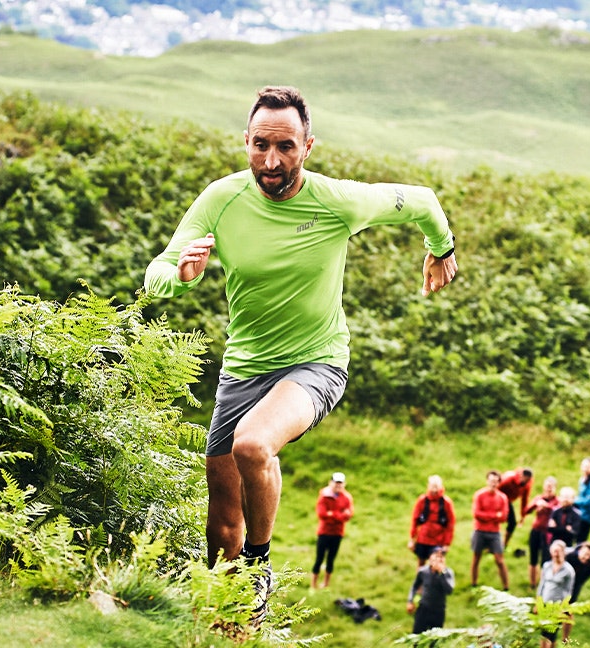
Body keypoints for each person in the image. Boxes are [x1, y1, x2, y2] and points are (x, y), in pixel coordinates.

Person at [144, 86, 458, 623]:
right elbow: (155, 276)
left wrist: (441, 249)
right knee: (221, 526)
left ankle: (260, 564)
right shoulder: (221, 198)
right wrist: (178, 274)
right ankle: (230, 624)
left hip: (316, 363)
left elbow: (423, 200)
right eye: (261, 145)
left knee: (252, 445)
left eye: (285, 147)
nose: (271, 160)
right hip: (243, 369)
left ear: (308, 147)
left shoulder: (337, 200)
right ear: (245, 140)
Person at [312, 472, 353, 589]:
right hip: (324, 532)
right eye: (336, 483)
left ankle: (326, 583)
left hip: (337, 533)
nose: (338, 486)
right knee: (319, 558)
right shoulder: (324, 495)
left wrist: (332, 515)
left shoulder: (347, 498)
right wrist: (339, 515)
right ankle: (313, 584)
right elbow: (322, 514)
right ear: (331, 483)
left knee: (331, 559)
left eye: (340, 484)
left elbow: (349, 515)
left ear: (344, 484)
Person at [471, 470, 510, 590]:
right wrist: (494, 516)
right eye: (491, 480)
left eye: (496, 481)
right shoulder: (479, 495)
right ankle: (474, 583)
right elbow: (477, 514)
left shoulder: (502, 497)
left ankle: (506, 586)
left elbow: (503, 517)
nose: (493, 483)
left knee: (499, 560)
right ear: (487, 480)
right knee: (476, 557)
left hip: (494, 532)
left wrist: (487, 516)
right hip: (480, 530)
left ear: (498, 483)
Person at [409, 475, 457, 566]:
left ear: (440, 487)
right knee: (421, 564)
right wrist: (412, 539)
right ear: (428, 486)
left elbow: (450, 524)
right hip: (423, 538)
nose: (434, 490)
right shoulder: (422, 501)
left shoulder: (446, 503)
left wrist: (447, 543)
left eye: (436, 487)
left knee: (436, 565)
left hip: (438, 540)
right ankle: (420, 580)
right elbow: (415, 520)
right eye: (432, 486)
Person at [407, 546, 455, 634]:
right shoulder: (423, 571)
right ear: (430, 558)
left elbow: (449, 590)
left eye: (442, 557)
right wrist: (410, 601)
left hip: (438, 611)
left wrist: (442, 573)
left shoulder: (448, 573)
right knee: (417, 636)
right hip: (424, 609)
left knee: (435, 639)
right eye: (436, 556)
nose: (439, 559)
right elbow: (414, 586)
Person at [536, 540, 575, 648]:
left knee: (551, 633)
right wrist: (537, 602)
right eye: (554, 551)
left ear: (563, 552)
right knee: (543, 632)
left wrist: (563, 607)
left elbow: (568, 591)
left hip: (557, 605)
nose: (556, 554)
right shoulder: (547, 565)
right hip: (544, 603)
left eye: (558, 551)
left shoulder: (568, 570)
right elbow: (542, 585)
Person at [560, 541, 590, 644]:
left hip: (575, 585)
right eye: (584, 555)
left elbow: (583, 579)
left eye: (589, 556)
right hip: (562, 584)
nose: (586, 558)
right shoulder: (569, 555)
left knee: (569, 611)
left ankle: (565, 638)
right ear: (580, 551)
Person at [525, 476, 559, 587]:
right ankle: (532, 583)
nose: (549, 489)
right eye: (547, 486)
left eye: (551, 487)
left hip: (547, 533)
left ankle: (543, 582)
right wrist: (536, 504)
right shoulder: (539, 498)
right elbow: (527, 510)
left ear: (555, 488)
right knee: (533, 557)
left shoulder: (557, 501)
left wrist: (546, 506)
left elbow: (556, 510)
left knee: (545, 559)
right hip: (536, 530)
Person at [498, 467, 534, 547]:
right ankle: (489, 543)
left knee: (512, 523)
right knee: (495, 520)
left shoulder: (527, 485)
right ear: (521, 476)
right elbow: (497, 489)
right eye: (525, 479)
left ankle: (504, 544)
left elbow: (524, 500)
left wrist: (523, 516)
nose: (525, 481)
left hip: (508, 501)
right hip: (498, 499)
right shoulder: (509, 479)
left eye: (528, 480)